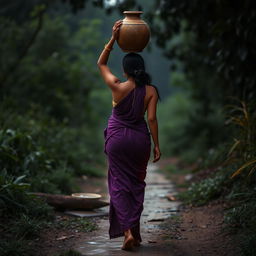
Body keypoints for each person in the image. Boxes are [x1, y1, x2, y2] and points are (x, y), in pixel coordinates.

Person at [97, 20, 161, 250]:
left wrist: (114, 38)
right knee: (136, 183)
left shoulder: (117, 86)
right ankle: (134, 231)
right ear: (141, 69)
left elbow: (101, 63)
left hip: (117, 140)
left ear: (124, 70)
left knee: (119, 185)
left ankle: (127, 233)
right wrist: (156, 145)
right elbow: (151, 119)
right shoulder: (151, 91)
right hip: (140, 141)